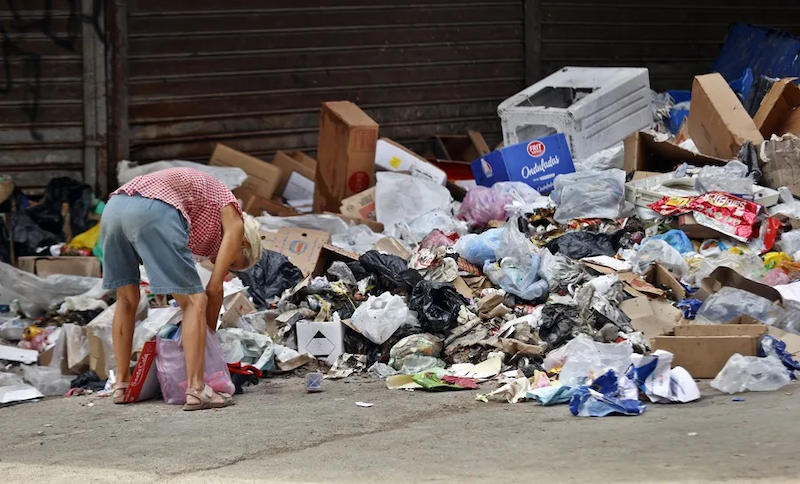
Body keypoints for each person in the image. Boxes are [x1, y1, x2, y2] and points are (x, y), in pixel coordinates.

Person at [99, 168, 262, 410]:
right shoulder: (235, 222)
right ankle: (197, 389)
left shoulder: (206, 214)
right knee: (194, 301)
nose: (227, 265)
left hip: (115, 208)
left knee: (126, 299)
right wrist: (207, 339)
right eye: (235, 263)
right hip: (153, 209)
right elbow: (214, 290)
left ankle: (122, 385)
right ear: (244, 244)